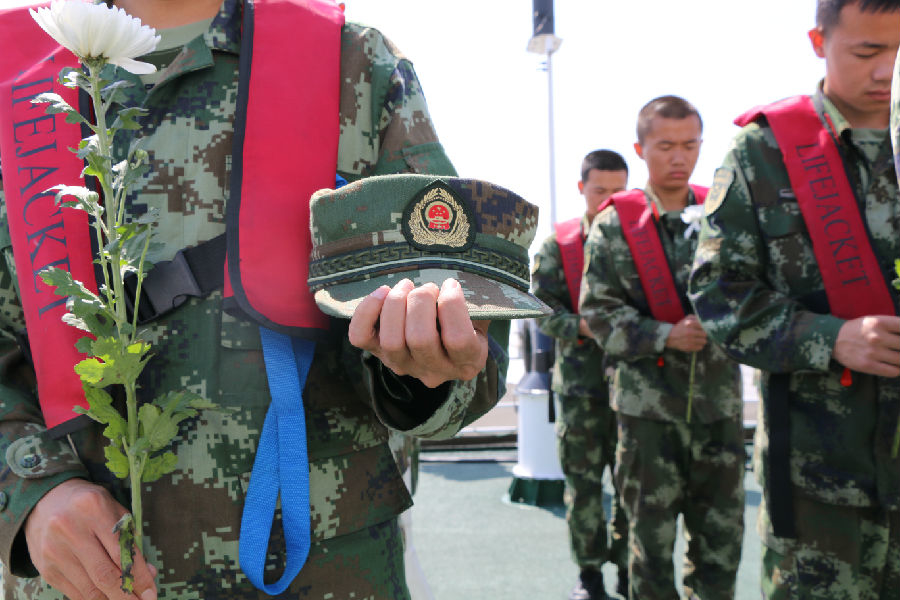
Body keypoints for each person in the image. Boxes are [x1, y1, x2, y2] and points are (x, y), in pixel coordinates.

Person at [0, 1, 529, 598]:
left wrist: (427, 367)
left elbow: (460, 317)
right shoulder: (14, 70)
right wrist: (31, 490)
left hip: (323, 571)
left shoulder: (350, 60)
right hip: (83, 575)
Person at [688, 1, 900, 597]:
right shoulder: (763, 154)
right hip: (819, 490)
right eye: (868, 52)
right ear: (818, 40)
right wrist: (830, 338)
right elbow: (717, 293)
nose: (888, 71)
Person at [579, 96, 745, 600]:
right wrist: (663, 334)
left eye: (691, 144)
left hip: (719, 410)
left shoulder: (724, 216)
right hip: (647, 416)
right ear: (641, 148)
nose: (680, 157)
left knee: (721, 544)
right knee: (649, 548)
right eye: (666, 146)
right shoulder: (613, 226)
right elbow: (596, 314)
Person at [531, 149, 629, 600]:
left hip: (635, 390)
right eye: (600, 190)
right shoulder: (559, 245)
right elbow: (542, 312)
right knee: (585, 488)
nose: (610, 200)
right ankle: (590, 576)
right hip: (579, 389)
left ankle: (632, 569)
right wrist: (588, 326)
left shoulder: (643, 242)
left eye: (620, 191)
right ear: (582, 188)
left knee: (635, 488)